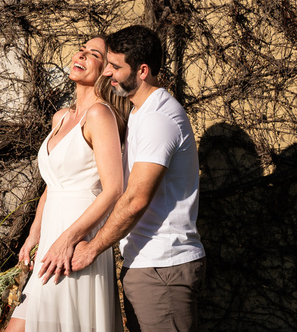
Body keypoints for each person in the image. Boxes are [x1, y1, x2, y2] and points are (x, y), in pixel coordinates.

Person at [71, 25, 206, 332]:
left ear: (142, 70)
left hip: (163, 268)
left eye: (116, 67)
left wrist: (92, 248)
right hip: (147, 266)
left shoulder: (159, 118)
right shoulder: (139, 112)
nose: (108, 73)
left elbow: (135, 200)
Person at [5, 35, 130, 332]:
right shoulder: (60, 117)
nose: (83, 55)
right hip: (50, 236)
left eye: (94, 55)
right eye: (82, 50)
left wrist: (69, 238)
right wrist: (34, 234)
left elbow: (114, 189)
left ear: (105, 71)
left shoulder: (100, 115)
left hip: (76, 238)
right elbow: (52, 184)